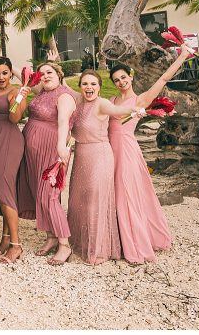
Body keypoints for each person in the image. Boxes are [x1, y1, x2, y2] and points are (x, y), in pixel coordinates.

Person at [108, 46, 192, 264]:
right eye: (116, 80)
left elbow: (163, 79)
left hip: (126, 150)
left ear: (130, 77)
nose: (121, 82)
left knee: (126, 193)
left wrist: (182, 56)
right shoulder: (112, 100)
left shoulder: (141, 100)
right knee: (113, 192)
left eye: (123, 77)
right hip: (110, 150)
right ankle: (117, 238)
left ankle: (135, 242)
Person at [66, 70, 141, 265]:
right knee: (78, 200)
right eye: (85, 84)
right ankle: (81, 243)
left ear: (99, 87)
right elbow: (62, 86)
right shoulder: (78, 101)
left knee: (94, 201)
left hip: (99, 155)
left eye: (93, 84)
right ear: (80, 87)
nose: (89, 87)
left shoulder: (103, 103)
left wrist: (136, 110)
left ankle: (98, 250)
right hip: (81, 156)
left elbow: (118, 110)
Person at [0, 29, 33, 264]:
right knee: (0, 189)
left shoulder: (15, 91)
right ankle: (5, 238)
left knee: (4, 189)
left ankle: (16, 245)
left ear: (11, 73)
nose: (1, 76)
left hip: (8, 140)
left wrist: (20, 98)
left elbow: (14, 118)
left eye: (5, 72)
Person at [21, 62, 77, 265]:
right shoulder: (42, 92)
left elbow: (63, 122)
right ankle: (51, 236)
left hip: (52, 149)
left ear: (59, 74)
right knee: (38, 193)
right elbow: (22, 74)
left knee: (50, 196)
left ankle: (64, 244)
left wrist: (61, 147)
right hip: (34, 152)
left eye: (49, 72)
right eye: (41, 73)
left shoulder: (64, 96)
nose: (45, 76)